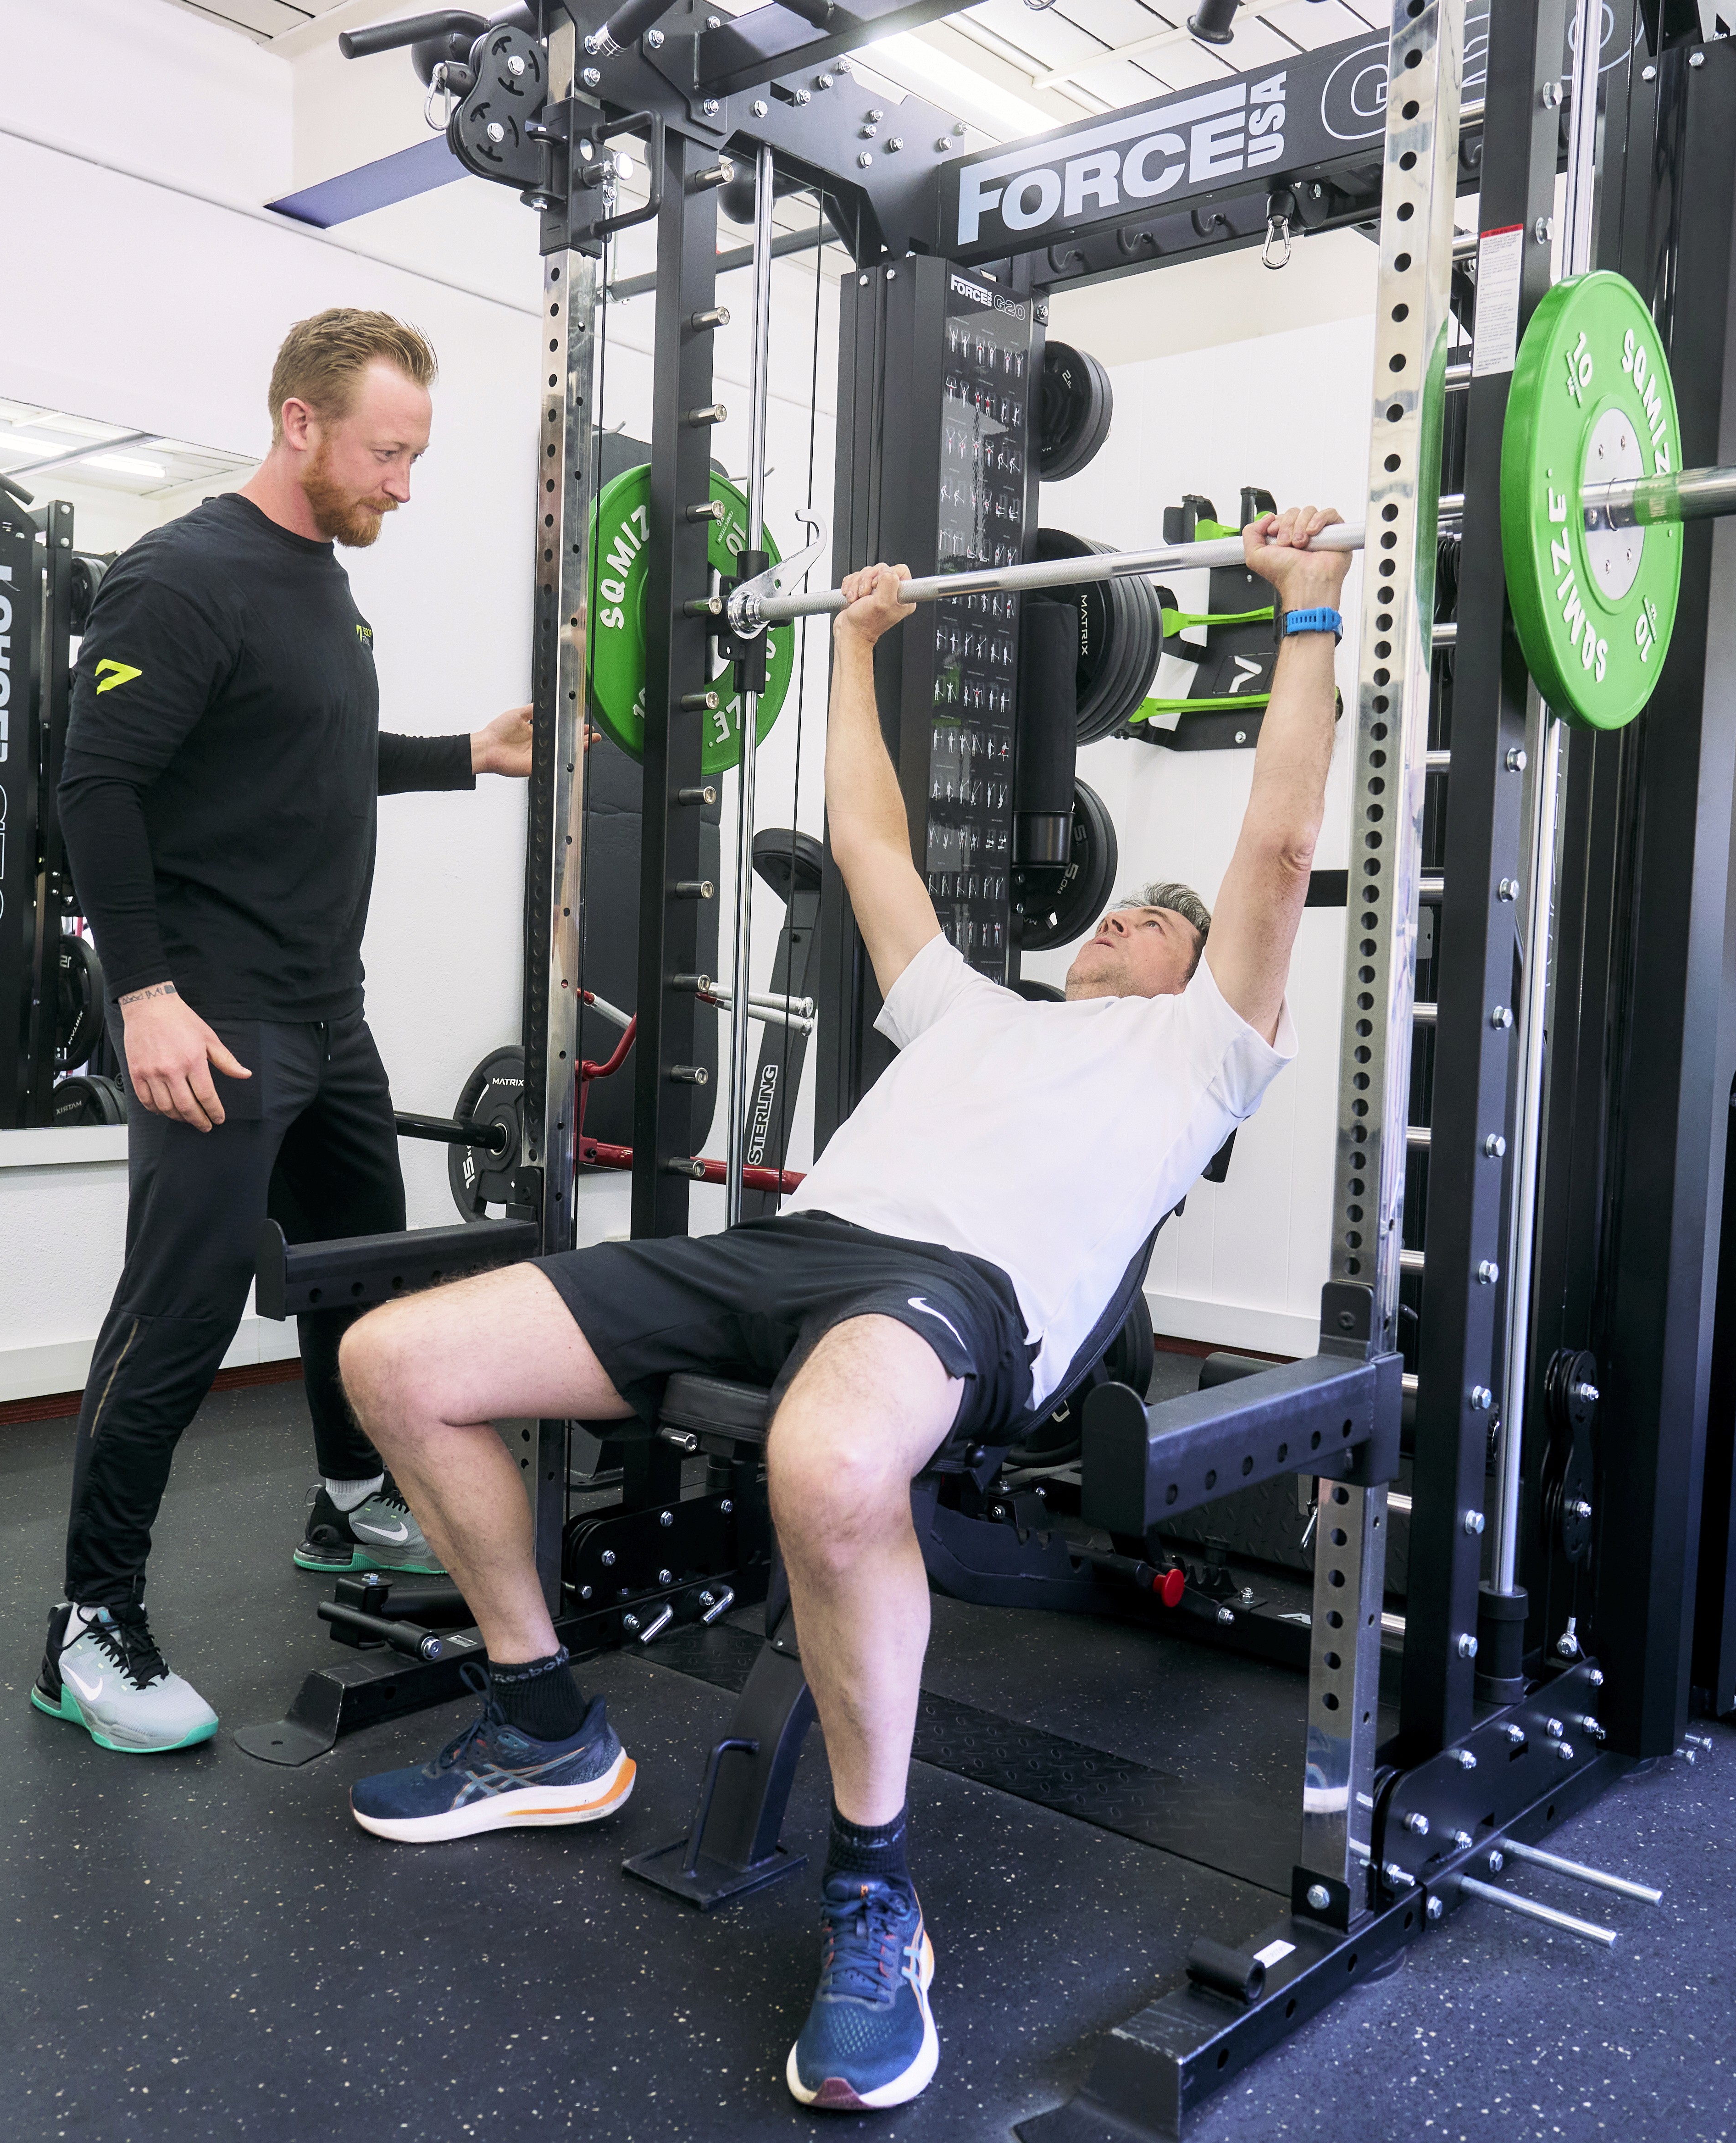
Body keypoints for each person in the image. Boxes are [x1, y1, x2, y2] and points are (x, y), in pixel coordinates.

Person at [330, 509, 1357, 2111]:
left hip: (952, 1292)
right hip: (789, 1248)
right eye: (1112, 912)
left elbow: (1277, 856)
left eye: (1154, 919)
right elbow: (868, 846)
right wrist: (851, 650)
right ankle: (542, 1722)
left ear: (1212, 974)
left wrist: (1305, 616)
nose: (1121, 923)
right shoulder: (966, 1008)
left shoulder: (1200, 1054)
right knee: (395, 1357)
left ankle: (874, 1889)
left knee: (822, 1470)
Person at [31, 308, 536, 1758]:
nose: (402, 482)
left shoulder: (319, 583)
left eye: (414, 454)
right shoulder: (183, 578)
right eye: (387, 451)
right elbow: (97, 790)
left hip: (328, 1007)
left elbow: (306, 751)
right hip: (216, 1013)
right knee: (176, 1321)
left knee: (359, 1288)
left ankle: (349, 1501)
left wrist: (467, 756)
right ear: (300, 425)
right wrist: (144, 994)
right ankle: (86, 1625)